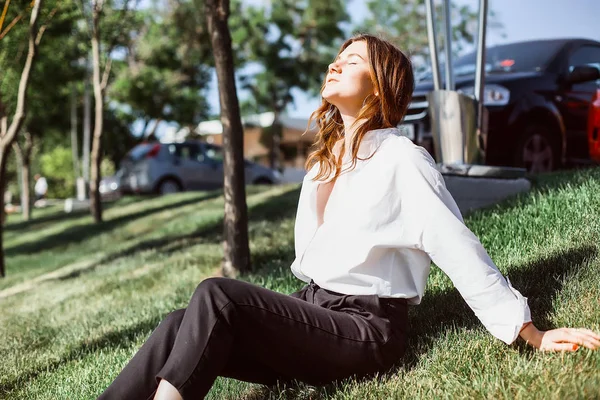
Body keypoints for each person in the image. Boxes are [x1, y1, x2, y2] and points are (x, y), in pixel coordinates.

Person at [98, 34, 600, 400]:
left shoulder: (402, 159)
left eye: (352, 60)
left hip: (365, 329)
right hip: (316, 310)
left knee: (216, 293)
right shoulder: (323, 163)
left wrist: (526, 330)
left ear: (379, 88)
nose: (335, 65)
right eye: (337, 58)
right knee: (177, 323)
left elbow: (456, 244)